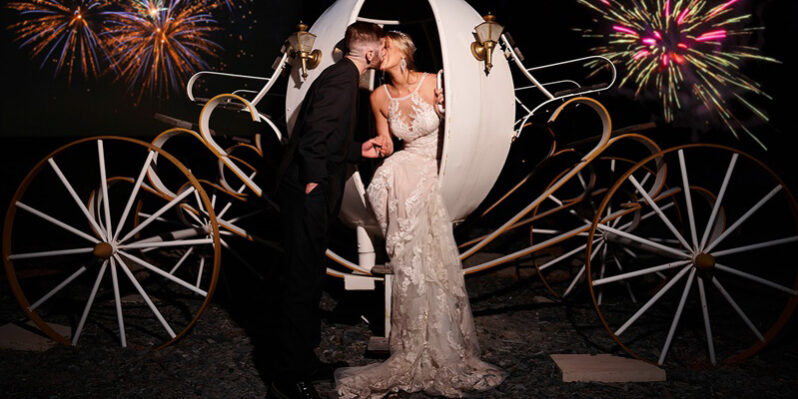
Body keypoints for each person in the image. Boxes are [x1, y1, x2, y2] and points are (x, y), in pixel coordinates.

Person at [334, 31, 506, 398]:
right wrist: (372, 150)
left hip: (439, 165)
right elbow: (388, 144)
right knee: (388, 176)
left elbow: (462, 131)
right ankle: (411, 341)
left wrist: (451, 110)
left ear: (404, 52)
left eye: (387, 47)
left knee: (426, 231)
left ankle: (443, 341)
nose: (380, 53)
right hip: (406, 162)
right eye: (377, 48)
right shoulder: (378, 96)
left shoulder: (436, 82)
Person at [270, 22, 388, 399]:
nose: (383, 54)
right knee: (301, 282)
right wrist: (314, 181)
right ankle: (287, 378)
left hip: (312, 189)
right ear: (370, 54)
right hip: (308, 192)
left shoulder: (338, 75)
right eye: (382, 48)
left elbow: (329, 136)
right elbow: (316, 136)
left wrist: (357, 150)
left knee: (309, 277)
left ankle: (304, 362)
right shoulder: (342, 80)